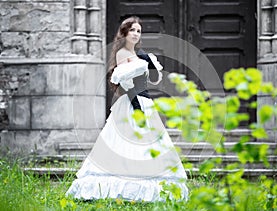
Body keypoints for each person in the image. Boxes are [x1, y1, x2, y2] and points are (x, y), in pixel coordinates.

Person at [66, 16, 188, 202]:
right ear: (124, 33)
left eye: (138, 31)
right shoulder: (122, 53)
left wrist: (149, 62)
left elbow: (152, 79)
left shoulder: (140, 54)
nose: (136, 34)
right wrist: (137, 107)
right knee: (126, 143)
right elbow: (126, 82)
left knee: (148, 144)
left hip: (145, 101)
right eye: (132, 30)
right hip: (132, 103)